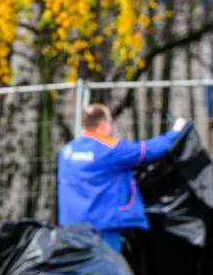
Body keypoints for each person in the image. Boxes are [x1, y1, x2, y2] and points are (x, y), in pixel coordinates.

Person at [57, 103, 186, 254]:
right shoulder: (108, 150)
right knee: (107, 272)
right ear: (104, 125)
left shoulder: (67, 151)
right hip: (102, 227)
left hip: (71, 227)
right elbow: (147, 150)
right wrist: (176, 132)